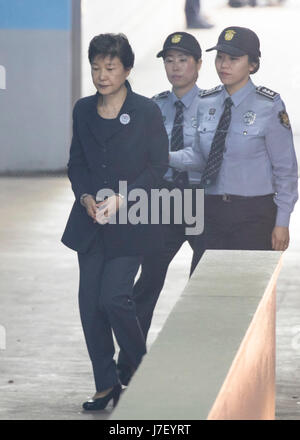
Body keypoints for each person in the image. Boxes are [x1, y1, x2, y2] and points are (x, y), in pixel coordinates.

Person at [61, 33, 169, 411]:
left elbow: (159, 167)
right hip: (90, 222)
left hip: (132, 222)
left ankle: (141, 373)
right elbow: (77, 163)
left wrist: (124, 199)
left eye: (110, 67)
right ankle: (106, 385)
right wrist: (86, 197)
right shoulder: (83, 110)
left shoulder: (146, 111)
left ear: (127, 69)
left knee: (115, 299)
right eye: (95, 67)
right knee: (90, 305)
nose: (102, 75)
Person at [169, 26, 298, 273]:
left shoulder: (269, 106)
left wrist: (282, 222)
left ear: (252, 65)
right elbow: (198, 157)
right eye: (220, 57)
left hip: (255, 216)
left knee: (247, 296)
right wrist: (163, 157)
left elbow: (286, 171)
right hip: (211, 213)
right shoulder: (205, 103)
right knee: (203, 290)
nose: (223, 65)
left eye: (233, 59)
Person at [117, 31, 203, 386]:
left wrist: (159, 156)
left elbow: (207, 157)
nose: (175, 67)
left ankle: (199, 366)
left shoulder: (216, 104)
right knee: (147, 283)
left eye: (183, 60)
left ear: (198, 65)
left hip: (200, 200)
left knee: (202, 286)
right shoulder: (151, 107)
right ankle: (131, 366)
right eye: (169, 60)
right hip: (161, 201)